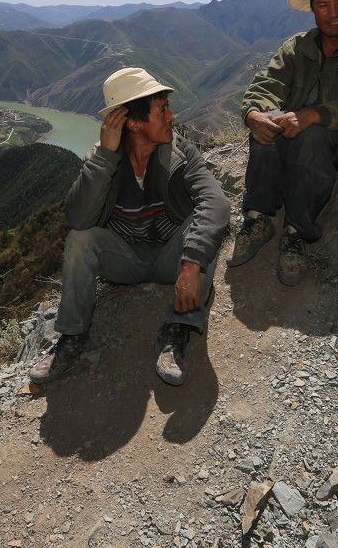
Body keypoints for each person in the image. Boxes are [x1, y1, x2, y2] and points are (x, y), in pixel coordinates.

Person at [29, 67, 231, 387]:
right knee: (80, 239)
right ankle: (72, 338)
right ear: (133, 123)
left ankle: (177, 331)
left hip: (171, 260)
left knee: (203, 227)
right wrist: (106, 157)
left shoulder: (182, 152)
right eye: (162, 109)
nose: (171, 116)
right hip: (125, 263)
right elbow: (78, 219)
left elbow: (217, 204)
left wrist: (191, 264)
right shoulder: (102, 160)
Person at [228, 0, 338, 285]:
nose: (333, 13)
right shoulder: (296, 48)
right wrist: (254, 114)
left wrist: (314, 115)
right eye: (323, 4)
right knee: (268, 123)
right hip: (296, 135)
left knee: (311, 132)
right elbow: (265, 86)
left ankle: (296, 231)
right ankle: (258, 217)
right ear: (313, 8)